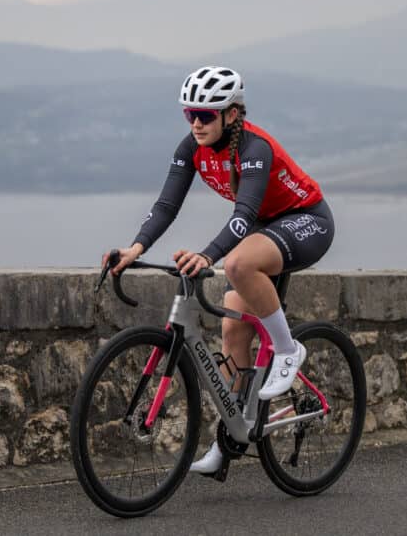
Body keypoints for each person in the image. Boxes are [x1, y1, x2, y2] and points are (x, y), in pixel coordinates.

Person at [102, 65, 335, 475]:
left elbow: (244, 215)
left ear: (232, 114)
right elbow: (166, 206)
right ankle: (231, 439)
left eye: (206, 114)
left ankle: (287, 350)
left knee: (239, 262)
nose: (196, 122)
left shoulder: (253, 149)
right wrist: (133, 247)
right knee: (232, 329)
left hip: (306, 220)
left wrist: (208, 256)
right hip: (266, 228)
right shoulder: (191, 147)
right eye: (189, 113)